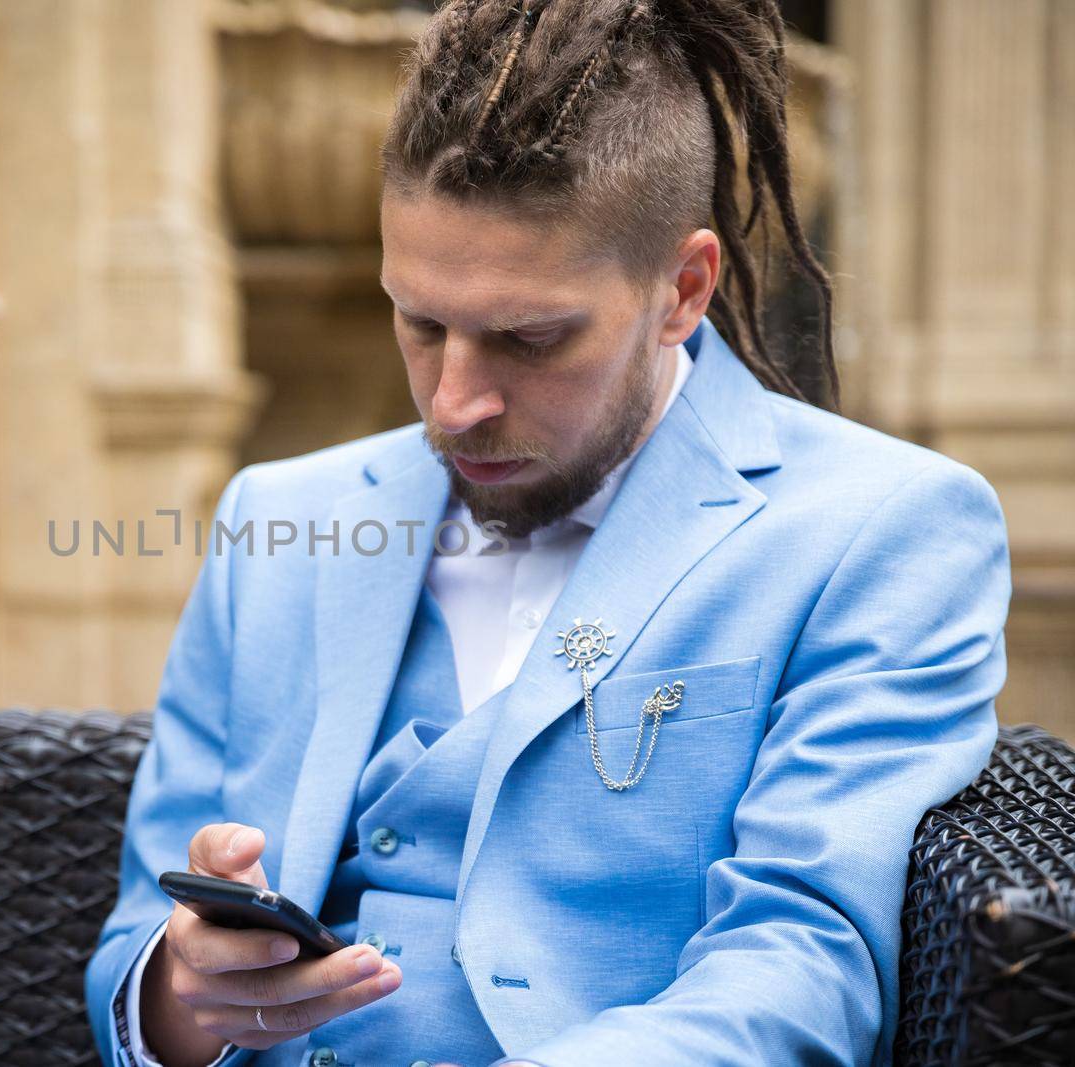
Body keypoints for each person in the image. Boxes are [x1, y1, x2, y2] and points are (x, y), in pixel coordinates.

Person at [86, 1, 1010, 1064]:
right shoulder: (277, 516)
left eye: (529, 338)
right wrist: (179, 990)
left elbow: (806, 966)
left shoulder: (882, 529)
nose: (453, 403)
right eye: (420, 322)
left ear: (683, 289)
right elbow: (131, 950)